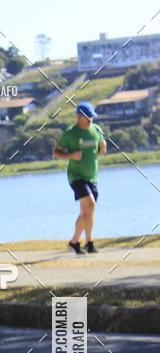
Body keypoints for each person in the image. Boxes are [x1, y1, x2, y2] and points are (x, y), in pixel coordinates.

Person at [53, 101, 107, 255]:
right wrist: (71, 155)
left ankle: (81, 243)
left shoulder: (97, 130)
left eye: (92, 116)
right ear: (79, 116)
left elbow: (100, 150)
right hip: (76, 176)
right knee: (91, 204)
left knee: (87, 211)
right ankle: (81, 242)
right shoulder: (70, 133)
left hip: (92, 176)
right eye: (87, 116)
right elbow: (56, 152)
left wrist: (103, 149)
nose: (90, 119)